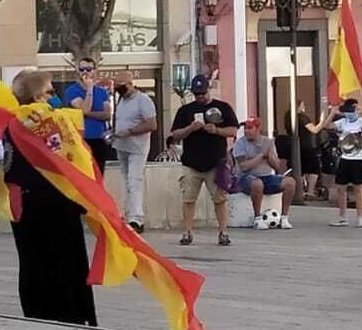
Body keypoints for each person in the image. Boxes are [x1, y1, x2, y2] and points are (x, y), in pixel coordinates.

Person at [5, 70, 97, 326]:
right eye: (49, 91)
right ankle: (73, 313)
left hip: (24, 202)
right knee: (68, 260)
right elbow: (76, 158)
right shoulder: (52, 121)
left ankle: (37, 313)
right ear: (36, 96)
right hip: (58, 199)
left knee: (33, 261)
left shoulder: (12, 124)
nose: (54, 95)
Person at [169, 74, 237, 247]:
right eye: (197, 94)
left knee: (219, 198)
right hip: (191, 162)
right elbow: (175, 134)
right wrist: (190, 128)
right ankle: (188, 231)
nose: (200, 96)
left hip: (215, 161)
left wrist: (216, 130)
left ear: (209, 90)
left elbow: (233, 130)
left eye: (203, 93)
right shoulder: (185, 110)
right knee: (188, 198)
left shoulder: (222, 107)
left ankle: (223, 232)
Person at [110, 70, 157, 233]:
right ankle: (129, 214)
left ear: (130, 84)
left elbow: (151, 124)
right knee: (127, 182)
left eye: (121, 86)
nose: (119, 89)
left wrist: (130, 131)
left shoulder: (143, 100)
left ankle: (137, 218)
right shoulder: (121, 101)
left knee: (134, 180)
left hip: (137, 147)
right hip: (122, 146)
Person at [232, 118, 295, 226]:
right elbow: (243, 167)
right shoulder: (240, 143)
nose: (246, 131)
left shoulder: (268, 142)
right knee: (257, 184)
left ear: (258, 129)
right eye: (245, 128)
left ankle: (284, 218)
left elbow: (277, 167)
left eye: (250, 128)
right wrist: (261, 156)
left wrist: (269, 156)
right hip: (245, 178)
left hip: (267, 177)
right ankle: (258, 218)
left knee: (290, 182)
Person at [321, 98, 362, 227]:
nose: (349, 113)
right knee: (341, 188)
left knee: (358, 188)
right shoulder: (343, 122)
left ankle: (360, 217)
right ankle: (342, 217)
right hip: (345, 159)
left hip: (358, 158)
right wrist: (332, 114)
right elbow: (326, 126)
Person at [65, 57, 113, 175]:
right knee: (84, 174)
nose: (85, 72)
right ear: (78, 71)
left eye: (89, 69)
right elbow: (85, 108)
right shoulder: (72, 90)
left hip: (98, 138)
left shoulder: (102, 92)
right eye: (82, 69)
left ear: (95, 71)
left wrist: (87, 114)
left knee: (99, 174)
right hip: (81, 139)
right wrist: (89, 90)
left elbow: (107, 114)